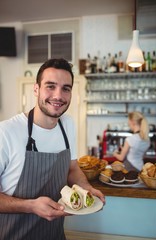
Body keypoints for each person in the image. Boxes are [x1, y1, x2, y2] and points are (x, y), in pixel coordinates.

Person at [0, 58, 105, 240]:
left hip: (55, 234)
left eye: (66, 88)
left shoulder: (68, 125)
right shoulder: (6, 131)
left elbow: (72, 168)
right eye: (50, 86)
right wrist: (31, 206)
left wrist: (86, 188)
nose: (58, 96)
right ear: (36, 89)